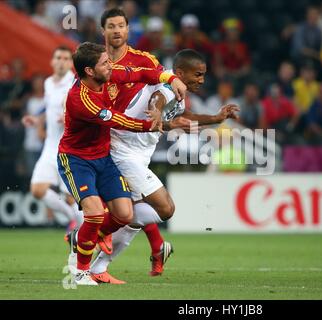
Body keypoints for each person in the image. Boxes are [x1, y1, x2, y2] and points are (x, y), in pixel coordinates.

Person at [90, 49, 239, 283]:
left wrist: (216, 119)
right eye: (197, 75)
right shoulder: (167, 87)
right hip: (123, 151)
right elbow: (157, 100)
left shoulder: (177, 89)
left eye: (203, 75)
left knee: (132, 218)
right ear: (180, 72)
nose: (201, 80)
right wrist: (158, 113)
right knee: (165, 208)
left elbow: (183, 114)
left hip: (138, 155)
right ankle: (93, 232)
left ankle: (98, 267)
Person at [60, 41, 186, 285]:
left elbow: (140, 73)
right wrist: (150, 125)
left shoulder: (107, 75)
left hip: (104, 157)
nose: (111, 66)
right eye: (105, 63)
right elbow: (117, 120)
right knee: (96, 214)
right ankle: (82, 271)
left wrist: (170, 78)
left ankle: (85, 239)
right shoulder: (81, 99)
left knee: (125, 214)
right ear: (89, 71)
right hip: (77, 160)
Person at [98, 8, 176, 278]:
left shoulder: (143, 61)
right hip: (106, 139)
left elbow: (163, 83)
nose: (117, 30)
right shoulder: (95, 60)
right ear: (103, 31)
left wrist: (173, 82)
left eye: (121, 25)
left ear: (128, 30)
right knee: (122, 210)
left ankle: (92, 244)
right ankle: (95, 264)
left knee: (126, 213)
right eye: (111, 26)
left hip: (134, 143)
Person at [21, 47, 81, 232]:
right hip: (50, 147)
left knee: (71, 197)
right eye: (58, 58)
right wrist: (37, 118)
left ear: (71, 63)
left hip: (69, 148)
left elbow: (84, 107)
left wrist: (69, 116)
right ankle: (74, 221)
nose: (62, 61)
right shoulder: (48, 83)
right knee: (37, 190)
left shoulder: (74, 82)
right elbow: (49, 107)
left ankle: (86, 234)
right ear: (52, 61)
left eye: (65, 58)